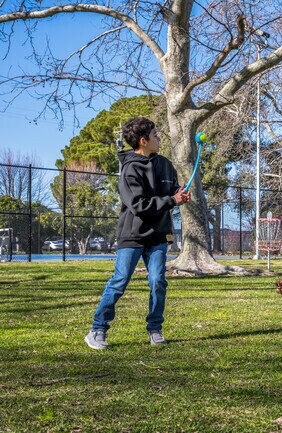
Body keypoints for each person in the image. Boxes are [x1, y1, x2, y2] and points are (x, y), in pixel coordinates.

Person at [84, 117, 191, 350]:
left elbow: (171, 189)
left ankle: (155, 329)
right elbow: (138, 205)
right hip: (132, 235)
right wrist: (171, 200)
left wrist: (179, 194)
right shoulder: (129, 169)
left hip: (158, 234)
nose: (159, 138)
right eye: (155, 135)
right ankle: (97, 329)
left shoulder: (165, 164)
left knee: (157, 281)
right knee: (119, 281)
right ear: (143, 141)